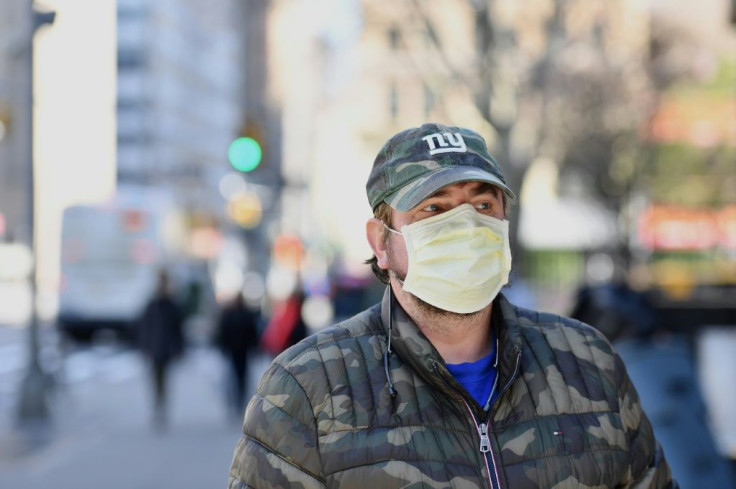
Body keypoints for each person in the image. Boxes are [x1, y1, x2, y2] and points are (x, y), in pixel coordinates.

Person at [227, 123, 677, 488]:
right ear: (381, 242)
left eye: (483, 203)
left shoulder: (587, 362)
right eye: (434, 209)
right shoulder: (307, 389)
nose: (465, 226)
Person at [137, 269, 185, 430]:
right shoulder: (153, 305)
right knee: (156, 379)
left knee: (162, 379)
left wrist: (178, 348)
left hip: (166, 349)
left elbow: (178, 330)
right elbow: (144, 327)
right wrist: (145, 346)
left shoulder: (171, 305)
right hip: (155, 348)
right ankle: (158, 406)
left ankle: (161, 406)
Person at [214, 291, 261, 418]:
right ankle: (238, 401)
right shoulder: (243, 314)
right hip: (240, 350)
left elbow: (223, 332)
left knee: (236, 377)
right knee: (240, 377)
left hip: (237, 350)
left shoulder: (231, 314)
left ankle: (237, 401)